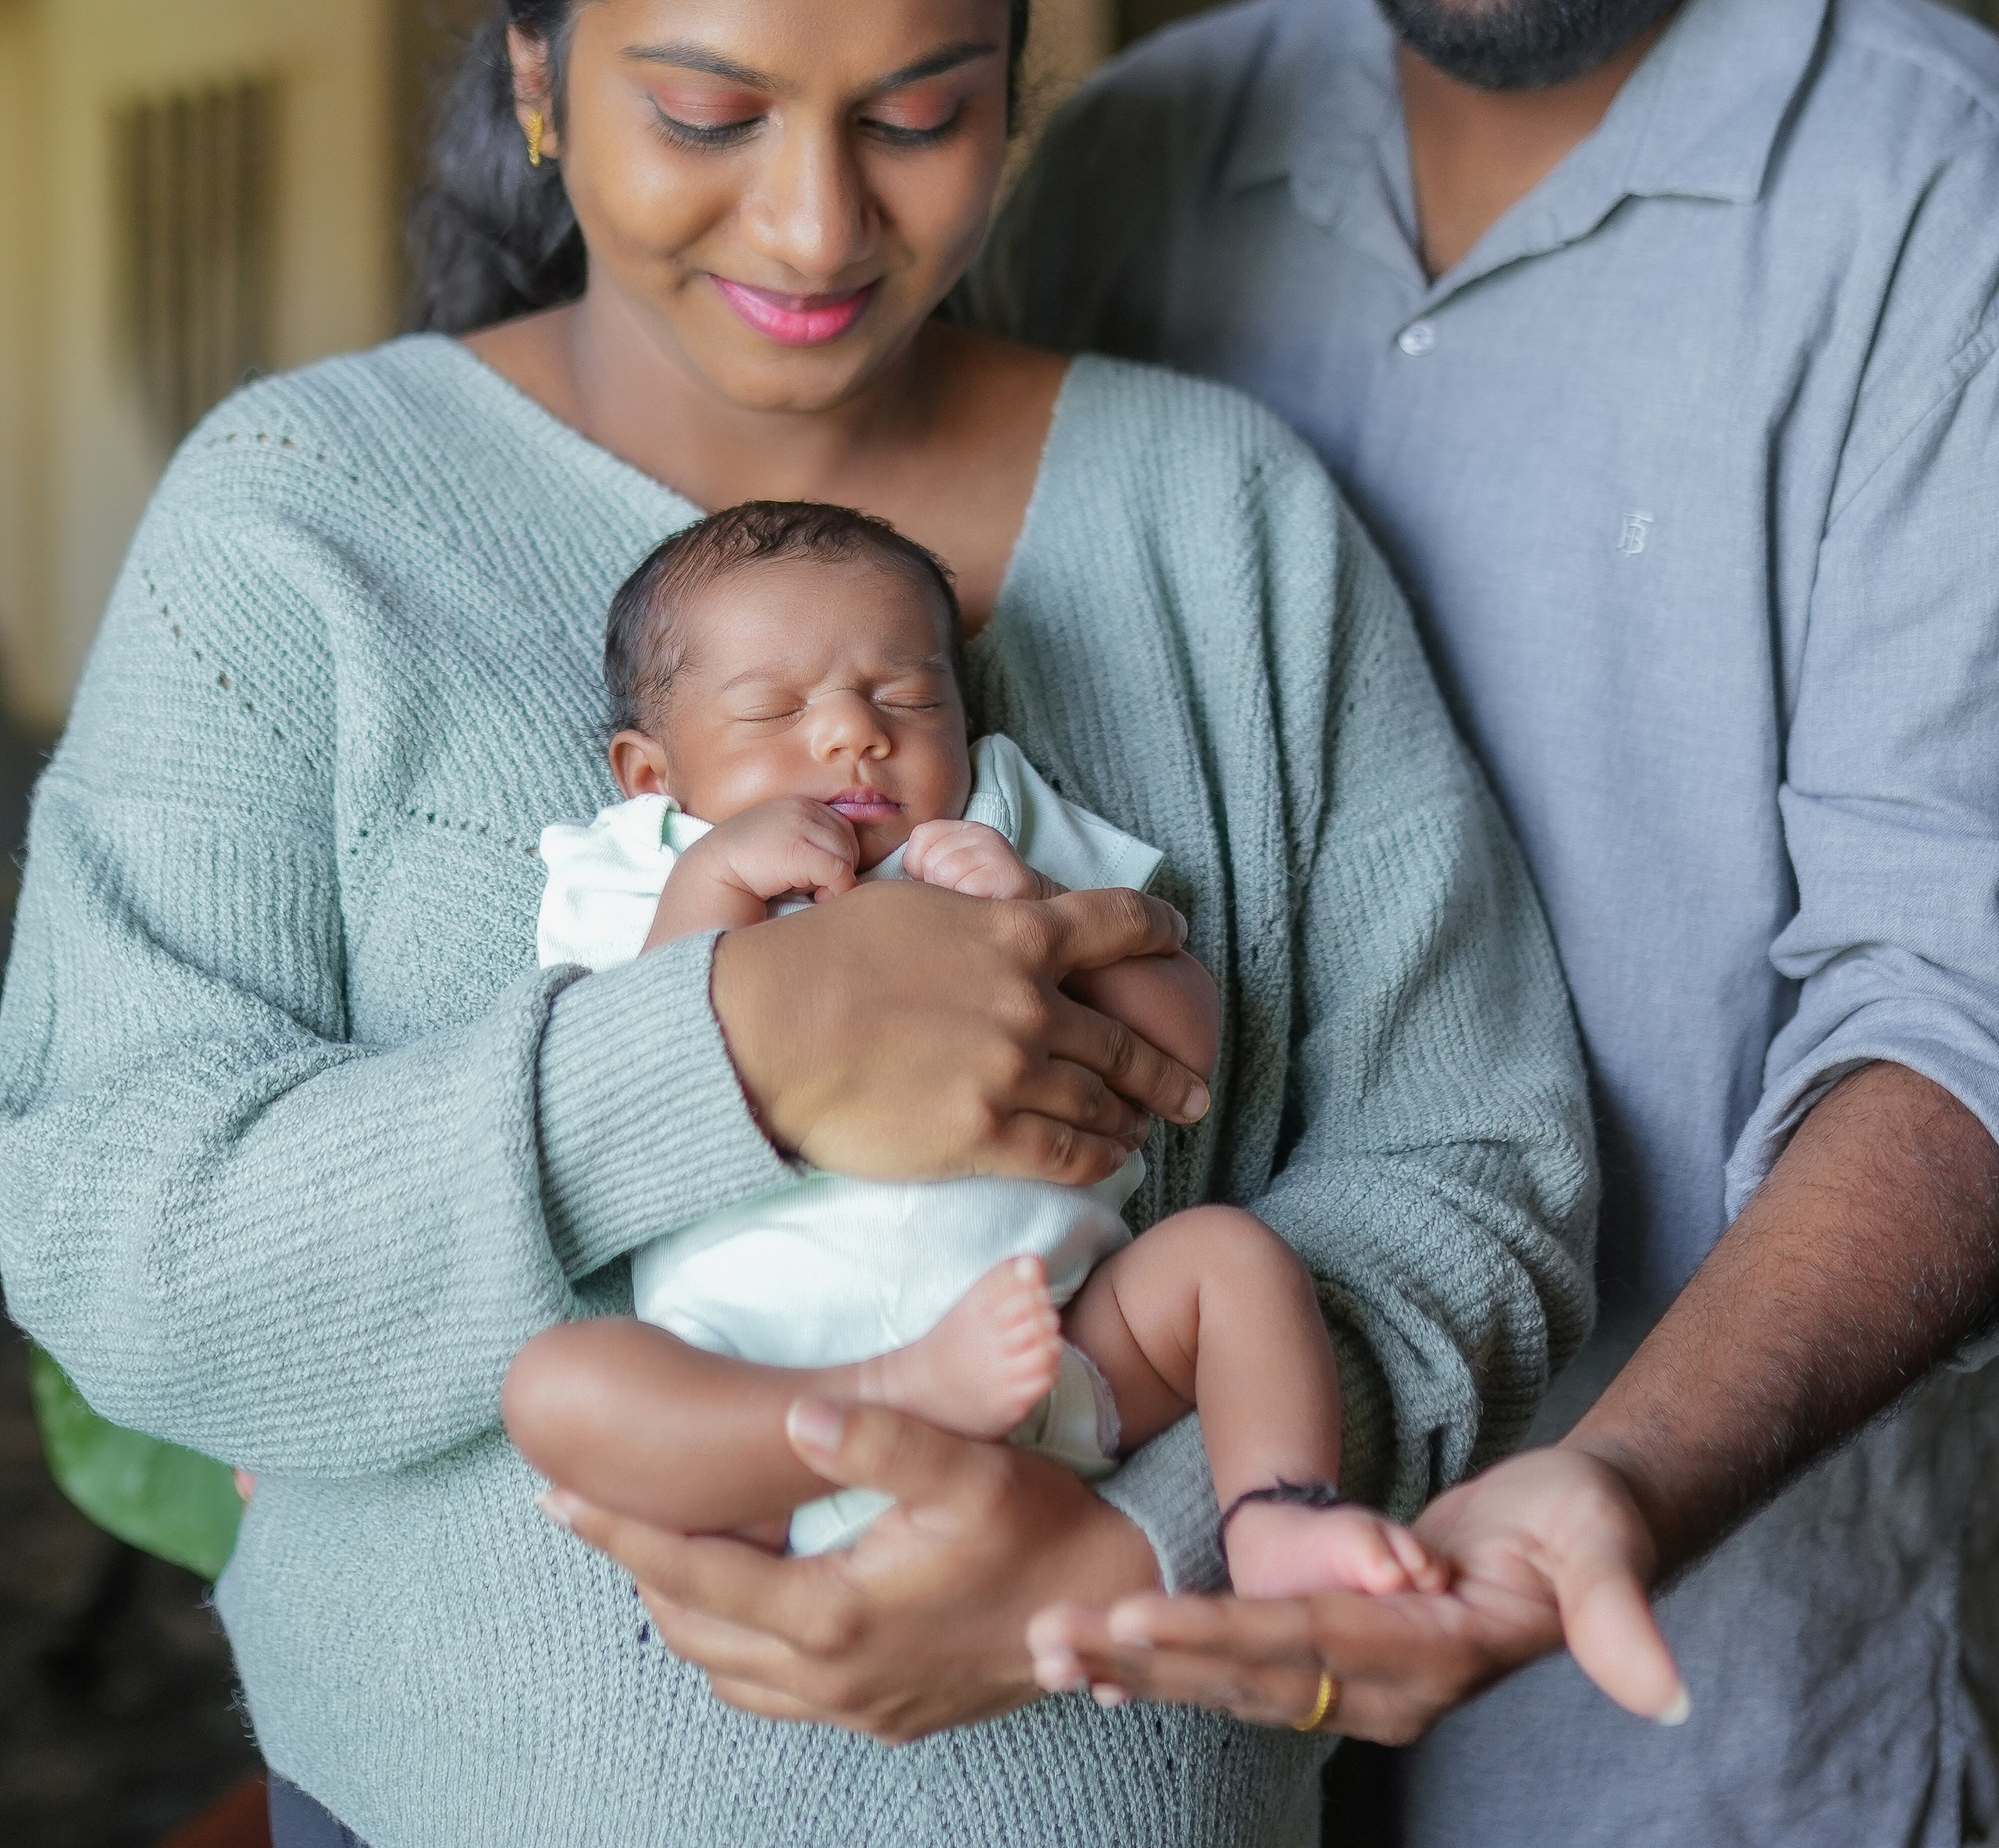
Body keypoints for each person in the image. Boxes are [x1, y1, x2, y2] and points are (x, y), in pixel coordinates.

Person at [0, 0, 1592, 1848]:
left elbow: (1479, 1170)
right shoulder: (301, 528)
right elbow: (116, 1237)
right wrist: (717, 1059)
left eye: (922, 113)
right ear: (544, 83)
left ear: (1016, 91)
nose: (819, 225)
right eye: (710, 113)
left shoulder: (1221, 517)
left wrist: (1129, 1543)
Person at [977, 0, 1999, 1843]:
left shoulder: (1944, 227)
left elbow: (1963, 998)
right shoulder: (1120, 170)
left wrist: (1621, 1487)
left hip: (1697, 1692)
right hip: (1134, 1672)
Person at [504, 499, 1444, 1607]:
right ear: (652, 776)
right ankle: (901, 1389)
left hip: (1056, 1351)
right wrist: (714, 884)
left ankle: (1280, 1517)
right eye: (774, 708)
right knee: (558, 1386)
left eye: (907, 697)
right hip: (759, 1379)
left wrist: (1044, 907)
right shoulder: (638, 863)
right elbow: (633, 1081)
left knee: (1231, 1260)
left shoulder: (1002, 823)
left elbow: (1185, 1053)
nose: (857, 731)